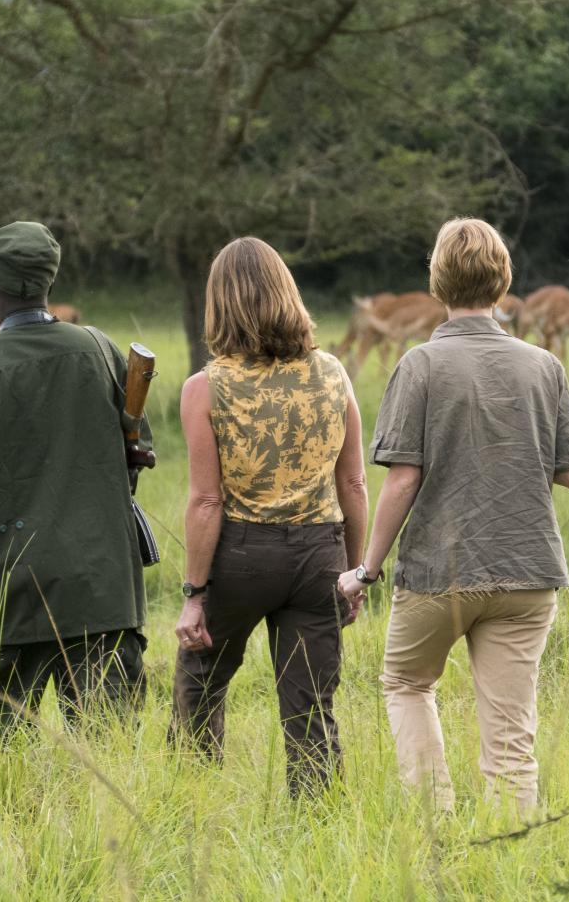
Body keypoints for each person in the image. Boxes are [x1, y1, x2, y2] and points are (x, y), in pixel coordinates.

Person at [339, 217, 569, 813]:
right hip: (528, 571)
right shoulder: (544, 366)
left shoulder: (419, 365)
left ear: (437, 282)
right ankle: (512, 856)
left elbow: (403, 478)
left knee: (405, 683)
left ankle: (435, 823)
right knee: (511, 735)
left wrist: (365, 572)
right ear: (504, 282)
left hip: (437, 572)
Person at [0, 221, 152, 741]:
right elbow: (138, 454)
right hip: (103, 591)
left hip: (10, 592)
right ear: (51, 281)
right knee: (110, 759)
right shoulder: (103, 351)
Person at [169, 237, 368, 795]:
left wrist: (194, 595)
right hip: (319, 557)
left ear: (220, 304)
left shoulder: (205, 388)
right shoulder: (333, 375)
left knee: (200, 682)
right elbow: (352, 482)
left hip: (241, 557)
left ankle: (192, 802)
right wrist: (355, 574)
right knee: (309, 708)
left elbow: (207, 501)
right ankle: (317, 828)